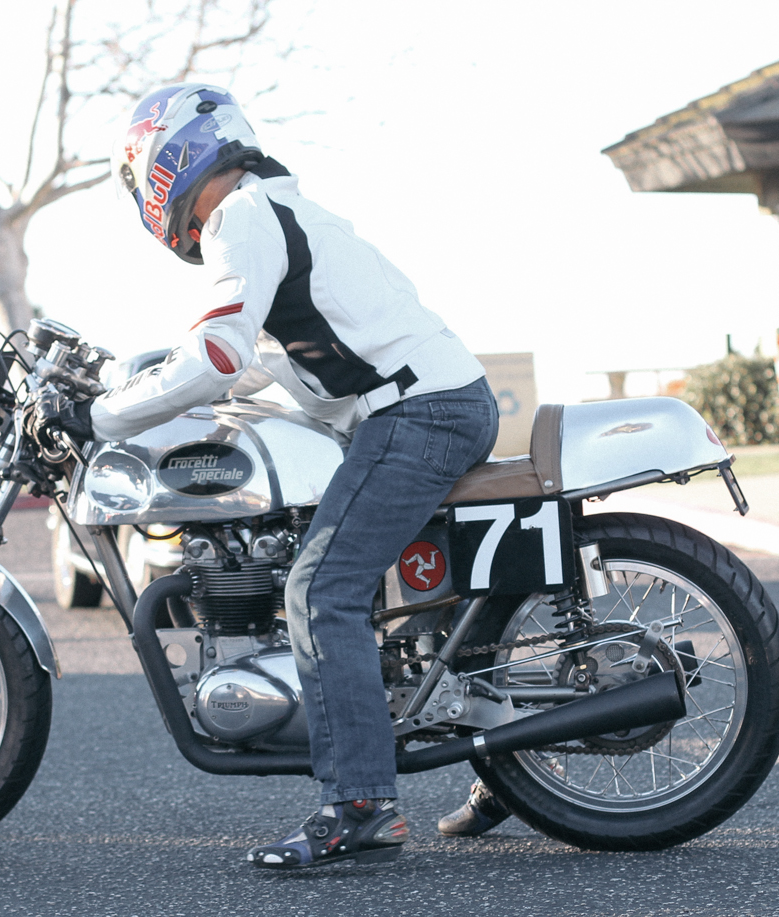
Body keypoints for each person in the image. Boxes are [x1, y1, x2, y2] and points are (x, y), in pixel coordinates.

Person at [51, 83, 499, 869]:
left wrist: (103, 418)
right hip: (433, 404)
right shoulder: (272, 208)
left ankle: (360, 807)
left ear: (169, 157)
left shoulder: (243, 216)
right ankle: (502, 759)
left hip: (419, 414)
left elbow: (218, 354)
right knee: (371, 584)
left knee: (320, 591)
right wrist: (150, 386)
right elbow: (258, 363)